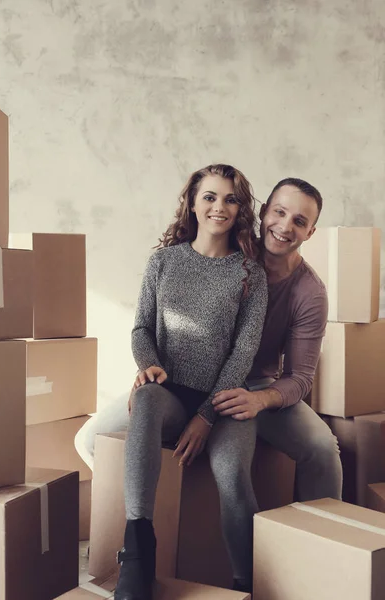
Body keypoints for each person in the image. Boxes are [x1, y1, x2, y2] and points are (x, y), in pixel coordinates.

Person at [75, 176, 343, 594]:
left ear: (311, 231)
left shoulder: (309, 292)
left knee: (322, 447)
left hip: (256, 387)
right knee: (91, 438)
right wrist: (148, 372)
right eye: (279, 212)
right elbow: (155, 327)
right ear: (262, 212)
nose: (285, 226)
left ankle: (317, 554)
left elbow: (301, 377)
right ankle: (148, 524)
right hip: (186, 380)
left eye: (299, 220)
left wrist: (260, 400)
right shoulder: (228, 249)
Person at [110, 164, 268, 600]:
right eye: (211, 197)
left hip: (226, 397)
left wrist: (206, 415)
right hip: (170, 391)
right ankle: (138, 556)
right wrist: (148, 363)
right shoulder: (163, 261)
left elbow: (243, 352)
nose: (220, 207)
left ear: (241, 209)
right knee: (144, 400)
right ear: (193, 203)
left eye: (231, 199)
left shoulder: (250, 273)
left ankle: (246, 582)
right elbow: (141, 327)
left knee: (231, 472)